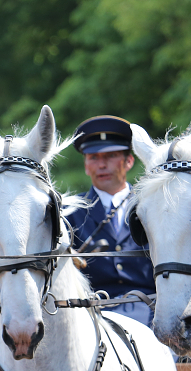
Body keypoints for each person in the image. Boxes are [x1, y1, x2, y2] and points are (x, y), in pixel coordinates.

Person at [68, 115, 155, 326]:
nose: (102, 165)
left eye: (111, 156)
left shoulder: (152, 207)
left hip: (151, 308)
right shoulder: (69, 212)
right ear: (86, 166)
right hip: (90, 315)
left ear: (129, 161)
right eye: (94, 158)